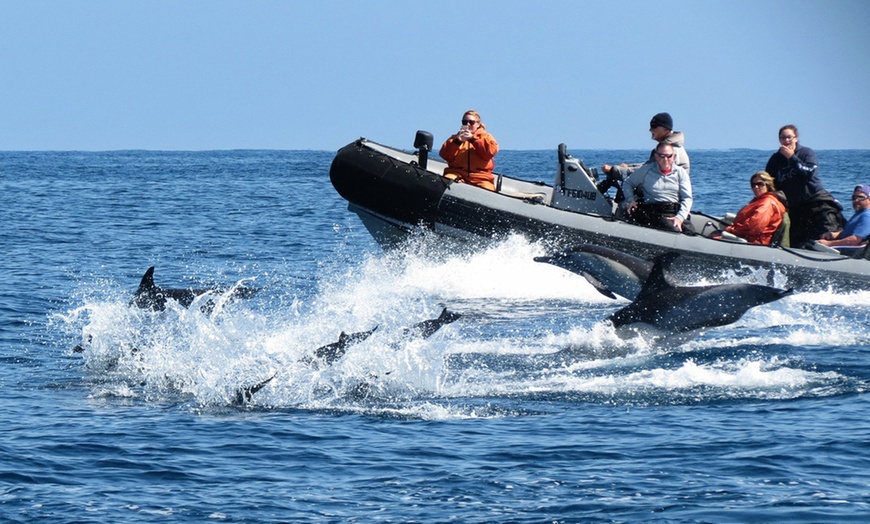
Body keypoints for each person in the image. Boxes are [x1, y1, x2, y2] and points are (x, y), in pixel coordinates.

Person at [764, 124, 844, 248]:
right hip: (796, 208)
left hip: (816, 202)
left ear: (796, 138)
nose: (786, 140)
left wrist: (791, 157)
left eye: (789, 137)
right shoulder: (775, 160)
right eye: (783, 138)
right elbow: (769, 183)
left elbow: (809, 173)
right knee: (798, 243)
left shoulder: (806, 153)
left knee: (828, 234)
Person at [598, 112, 690, 199]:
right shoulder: (668, 147)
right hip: (660, 187)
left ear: (666, 129)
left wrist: (614, 170)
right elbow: (649, 166)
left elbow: (647, 172)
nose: (650, 129)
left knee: (628, 183)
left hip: (665, 194)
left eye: (654, 126)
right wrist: (628, 166)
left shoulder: (670, 151)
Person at [622, 142, 693, 232]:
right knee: (673, 230)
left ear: (674, 156)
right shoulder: (646, 170)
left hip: (673, 211)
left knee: (690, 231)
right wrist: (630, 199)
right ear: (656, 156)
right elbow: (628, 183)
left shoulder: (681, 173)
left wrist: (680, 217)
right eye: (662, 156)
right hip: (654, 212)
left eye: (669, 156)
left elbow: (687, 198)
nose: (665, 159)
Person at [711, 171, 787, 245]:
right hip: (747, 236)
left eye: (760, 184)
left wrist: (732, 230)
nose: (756, 187)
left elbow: (755, 228)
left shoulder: (766, 204)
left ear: (768, 185)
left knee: (714, 237)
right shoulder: (761, 200)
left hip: (755, 242)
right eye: (753, 185)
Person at [439, 110, 499, 191]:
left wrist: (473, 140)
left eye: (471, 122)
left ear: (478, 124)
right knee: (447, 181)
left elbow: (490, 152)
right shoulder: (455, 138)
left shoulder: (486, 137)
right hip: (457, 173)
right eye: (465, 122)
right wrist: (457, 142)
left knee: (488, 190)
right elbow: (445, 155)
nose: (467, 124)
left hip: (481, 177)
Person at [816, 184, 870, 252]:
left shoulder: (867, 216)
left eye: (860, 197)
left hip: (849, 253)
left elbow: (855, 240)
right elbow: (849, 232)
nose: (856, 200)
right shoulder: (859, 214)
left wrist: (828, 244)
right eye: (854, 197)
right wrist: (833, 234)